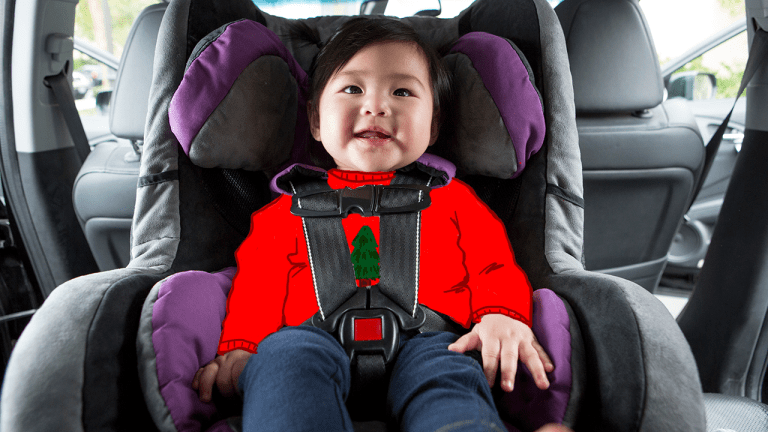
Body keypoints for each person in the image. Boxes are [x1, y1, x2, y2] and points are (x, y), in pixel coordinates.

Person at [193, 17, 561, 432]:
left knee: (453, 375)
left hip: (432, 340)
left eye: (402, 91)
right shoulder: (283, 212)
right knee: (281, 361)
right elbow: (257, 287)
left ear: (434, 125)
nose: (376, 106)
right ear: (315, 120)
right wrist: (240, 347)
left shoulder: (455, 199)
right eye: (353, 88)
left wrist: (500, 314)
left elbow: (493, 266)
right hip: (310, 339)